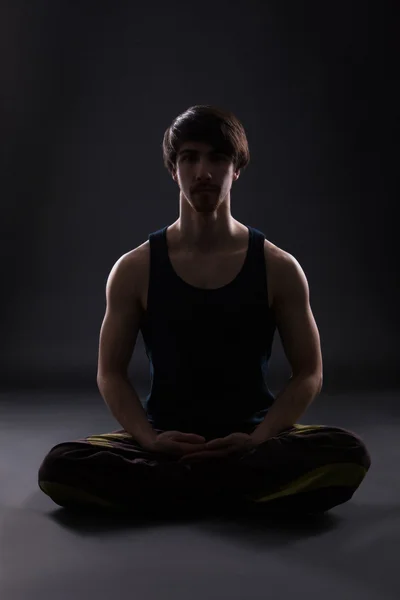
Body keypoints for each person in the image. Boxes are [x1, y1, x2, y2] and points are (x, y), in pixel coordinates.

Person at [38, 105, 371, 519]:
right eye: (189, 157)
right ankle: (231, 490)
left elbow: (309, 373)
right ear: (173, 170)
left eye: (217, 157)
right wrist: (150, 441)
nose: (203, 171)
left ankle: (179, 490)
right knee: (61, 467)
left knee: (347, 452)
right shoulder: (134, 269)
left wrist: (258, 439)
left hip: (253, 440)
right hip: (163, 440)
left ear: (237, 168)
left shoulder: (278, 267)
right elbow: (110, 373)